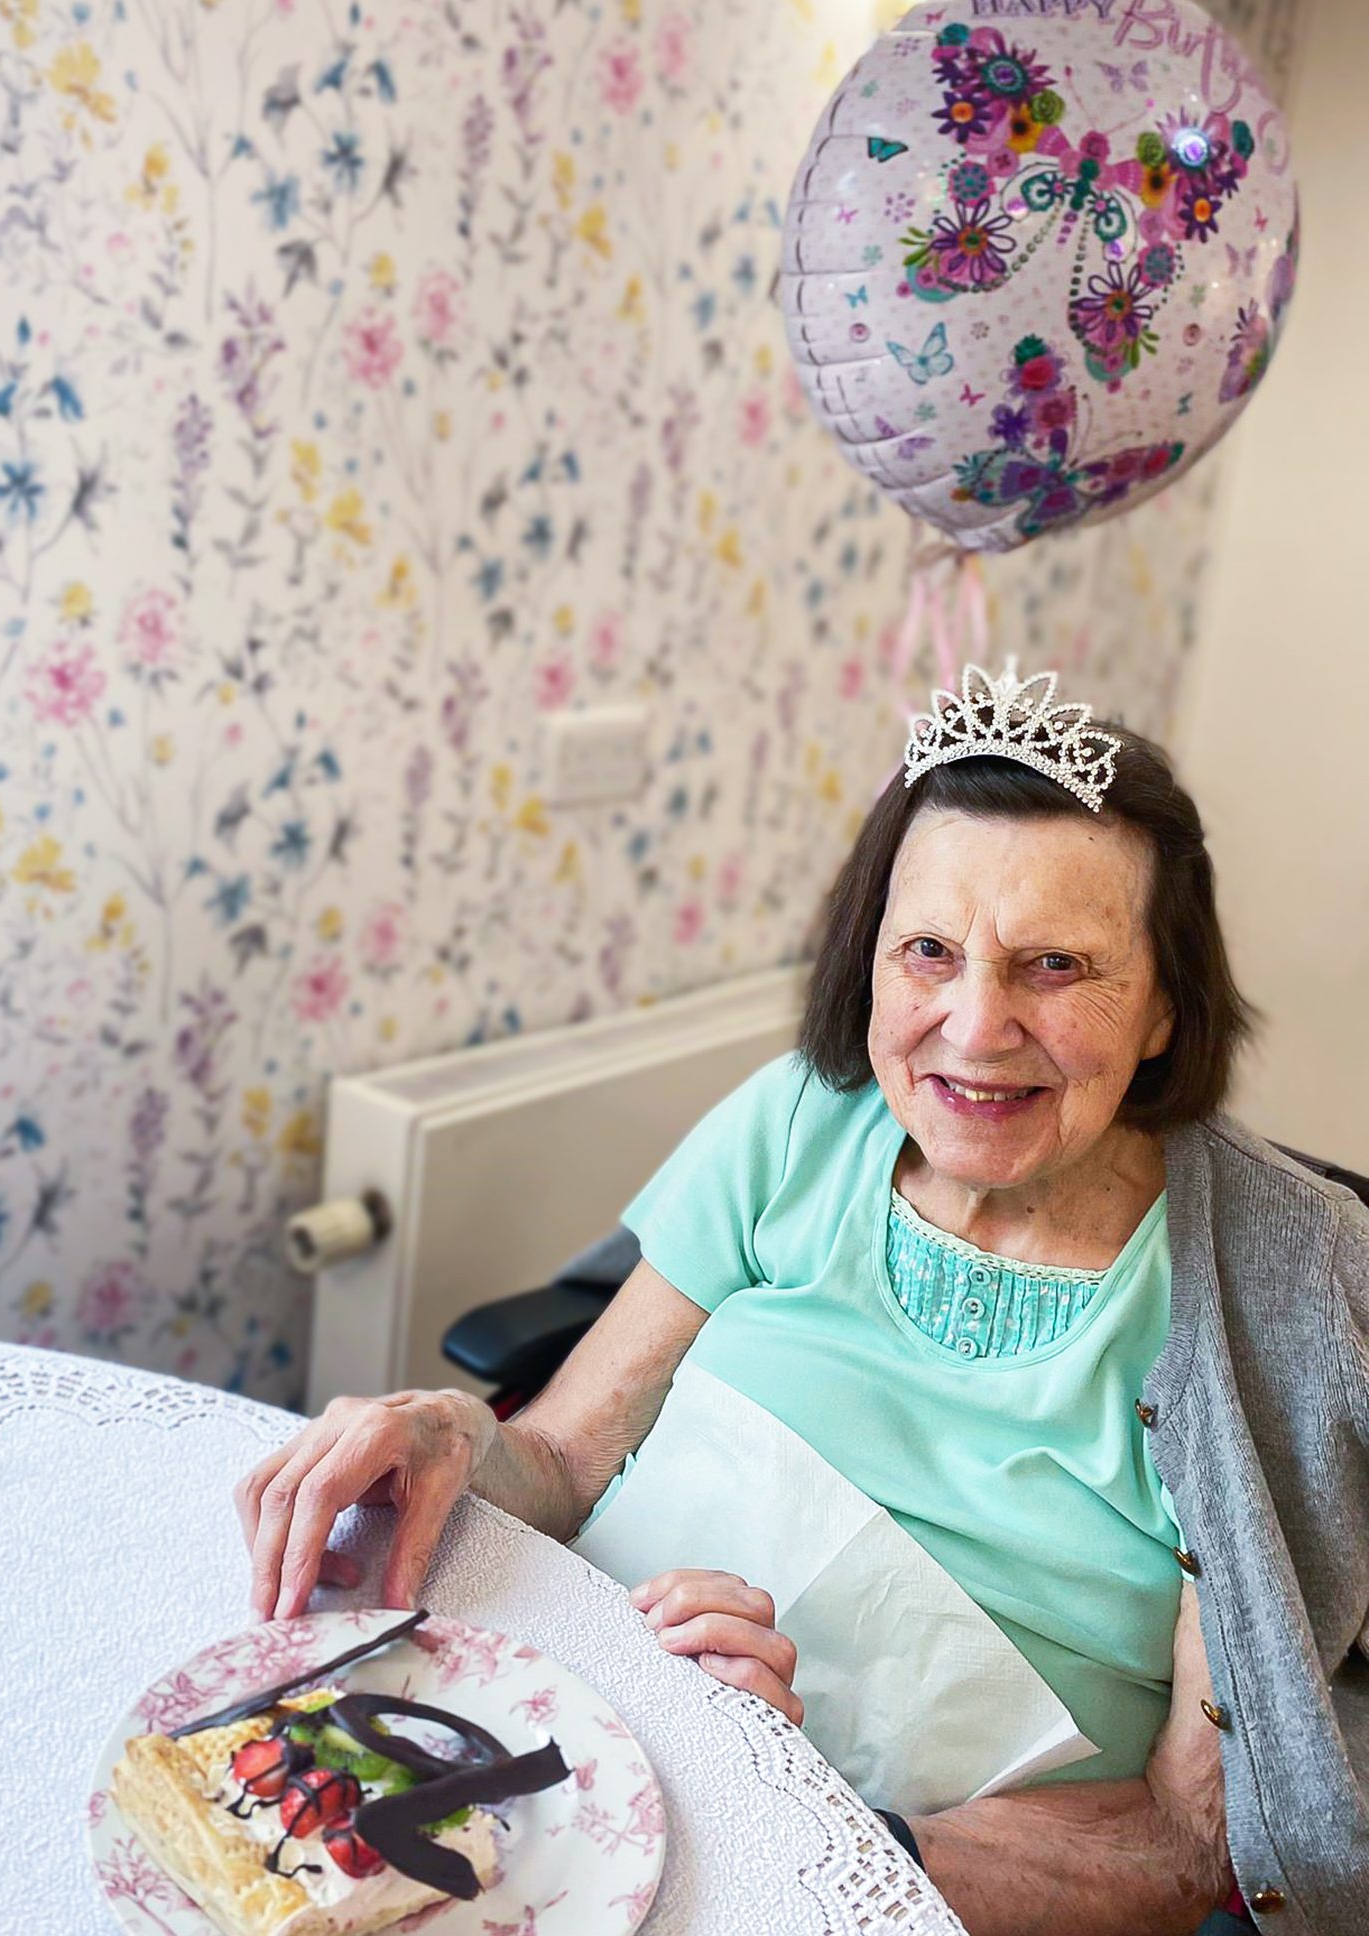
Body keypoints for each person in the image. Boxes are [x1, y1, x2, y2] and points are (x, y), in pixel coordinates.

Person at [235, 660, 1369, 1936]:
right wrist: (447, 1433)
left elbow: (1181, 1845)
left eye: (1056, 965)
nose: (976, 1023)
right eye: (928, 951)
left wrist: (802, 1823)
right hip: (570, 1754)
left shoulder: (1280, 1290)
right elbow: (558, 1454)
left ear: (1164, 1005)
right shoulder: (798, 1120)